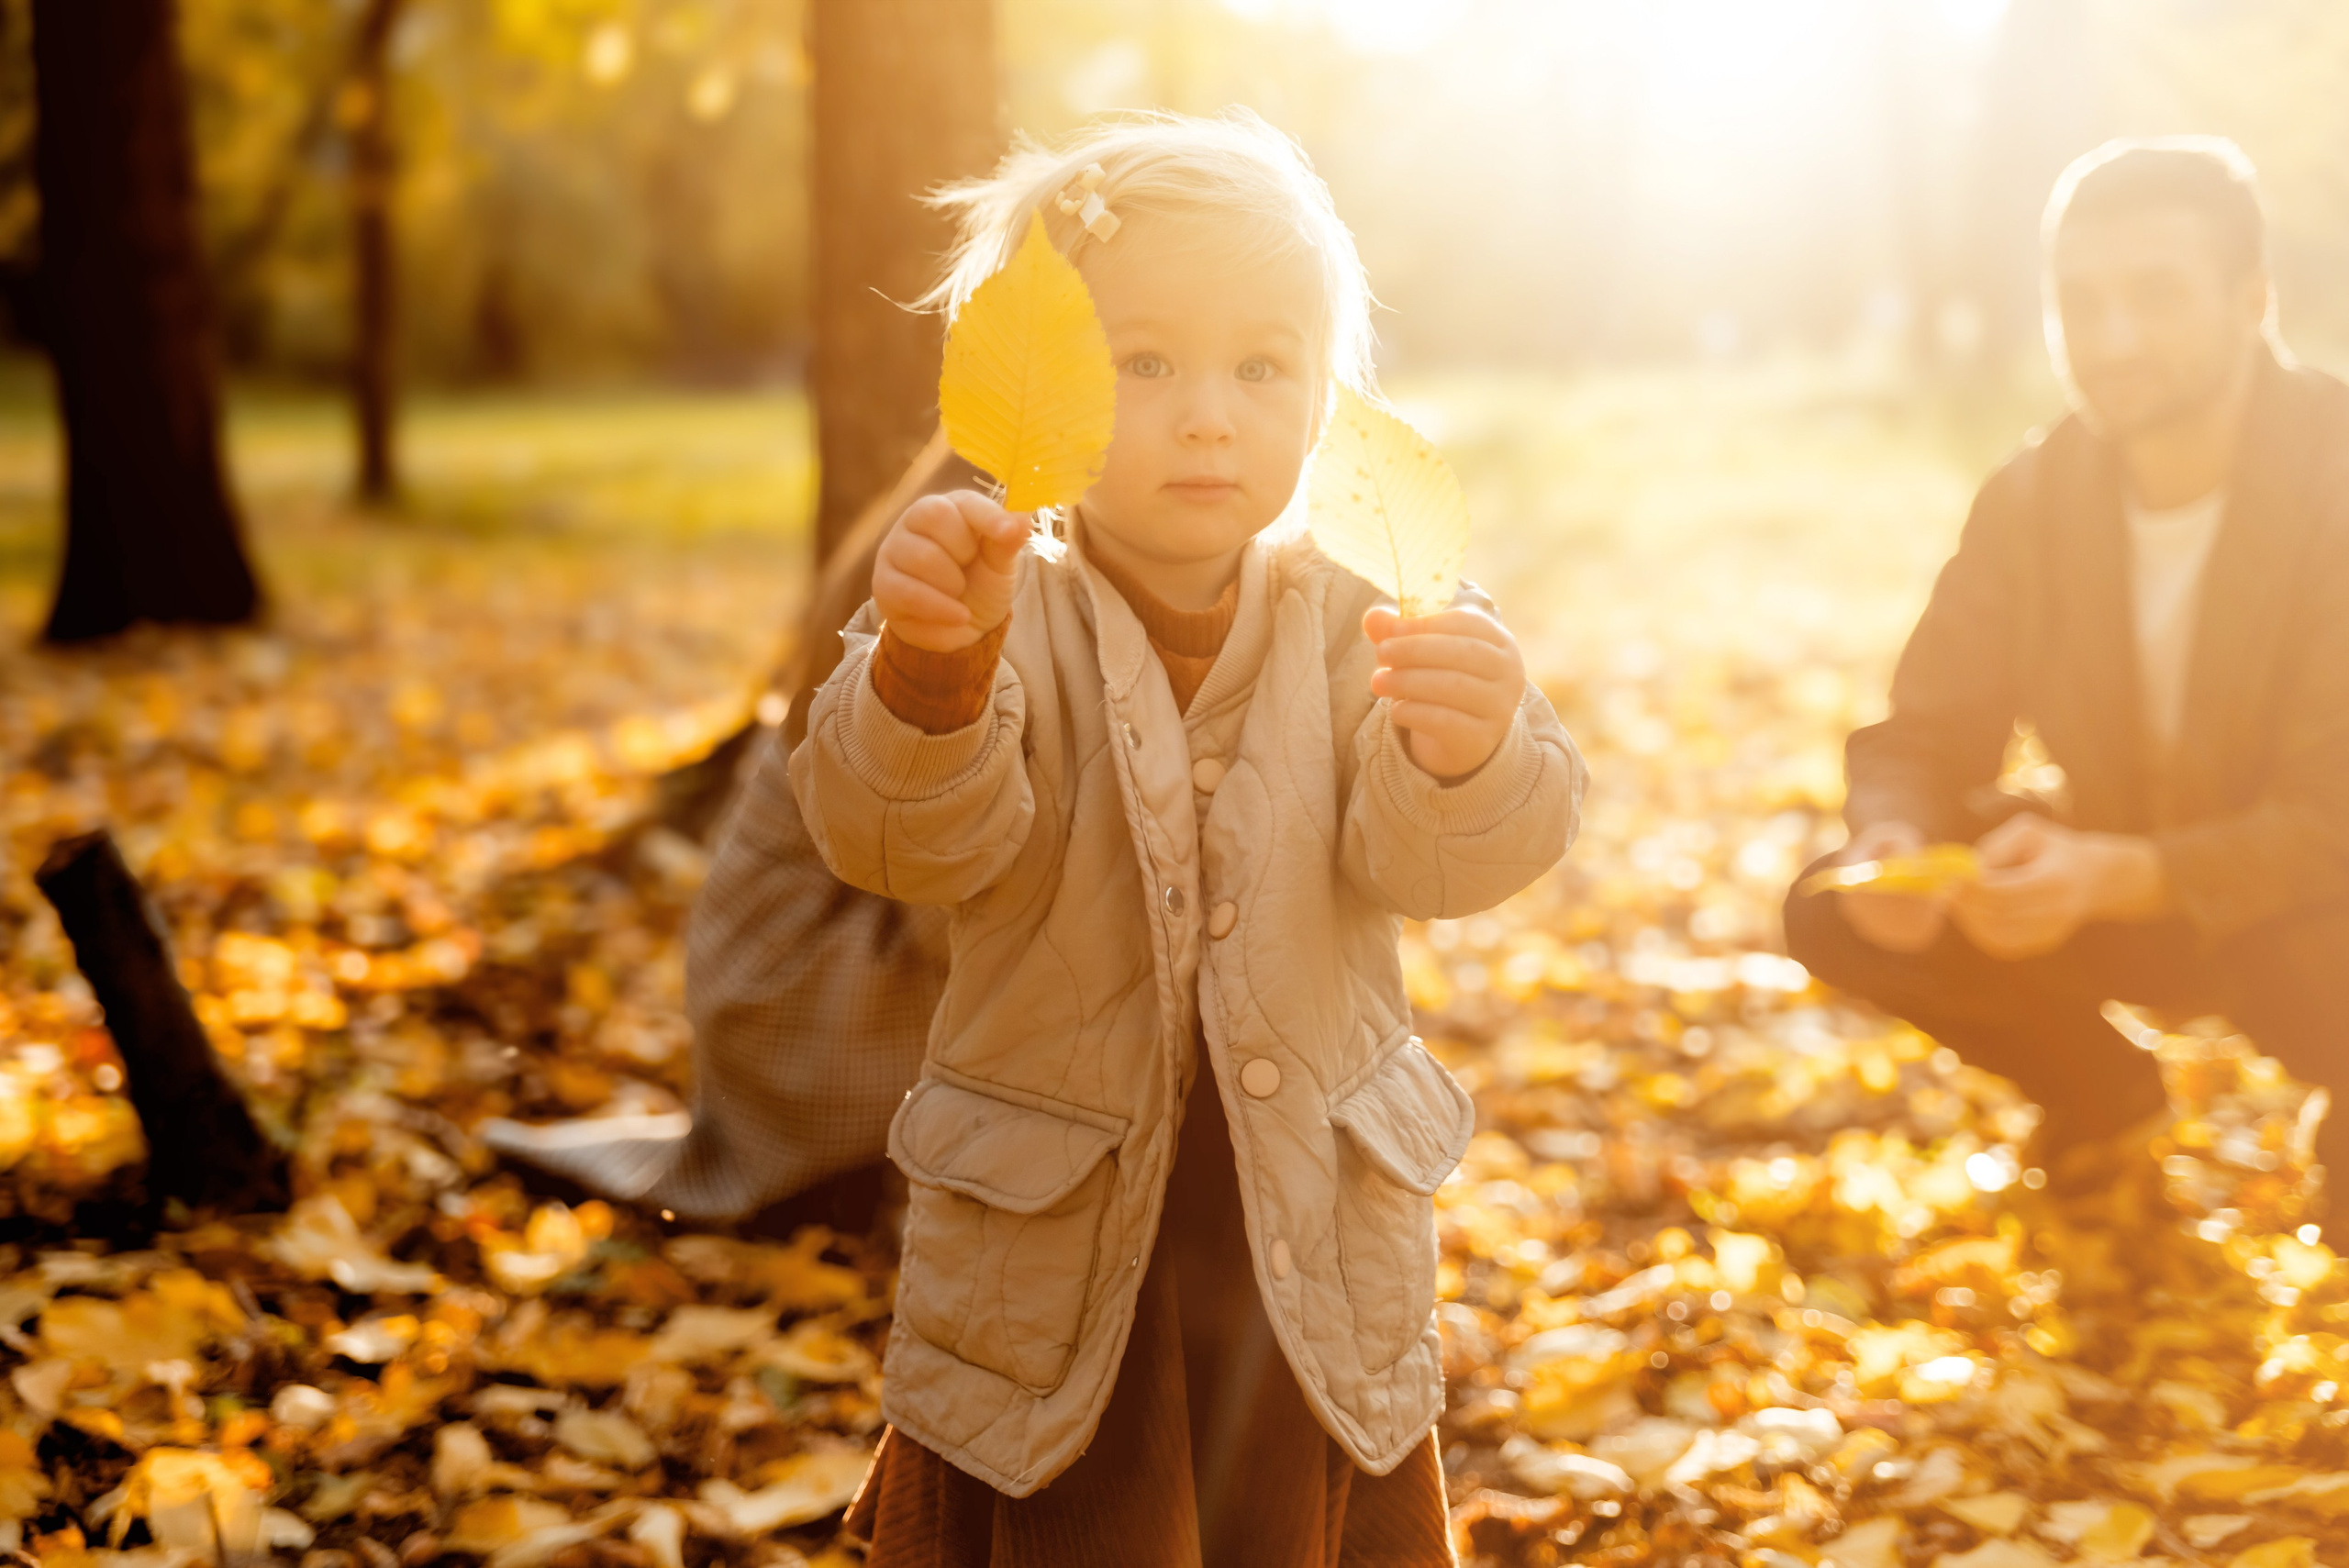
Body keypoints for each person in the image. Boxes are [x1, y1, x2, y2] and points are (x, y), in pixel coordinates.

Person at [787, 111, 1585, 1565]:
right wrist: (928, 679)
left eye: (1261, 366)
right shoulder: (983, 600)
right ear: (1038, 391)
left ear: (1326, 403)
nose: (1208, 412)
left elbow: (1439, 861)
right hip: (1065, 1239)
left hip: (1302, 1235)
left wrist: (1469, 754)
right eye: (1142, 364)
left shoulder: (1373, 609)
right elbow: (892, 839)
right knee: (1083, 1507)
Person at [1784, 138, 2349, 1209]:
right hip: (2122, 875)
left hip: (2317, 908)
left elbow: (2332, 819)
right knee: (1832, 905)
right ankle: (2101, 1093)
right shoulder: (2034, 497)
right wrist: (1893, 838)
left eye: (2155, 295)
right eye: (2077, 301)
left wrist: (2113, 870)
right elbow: (1921, 733)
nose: (2111, 339)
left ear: (2253, 300)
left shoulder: (2337, 475)